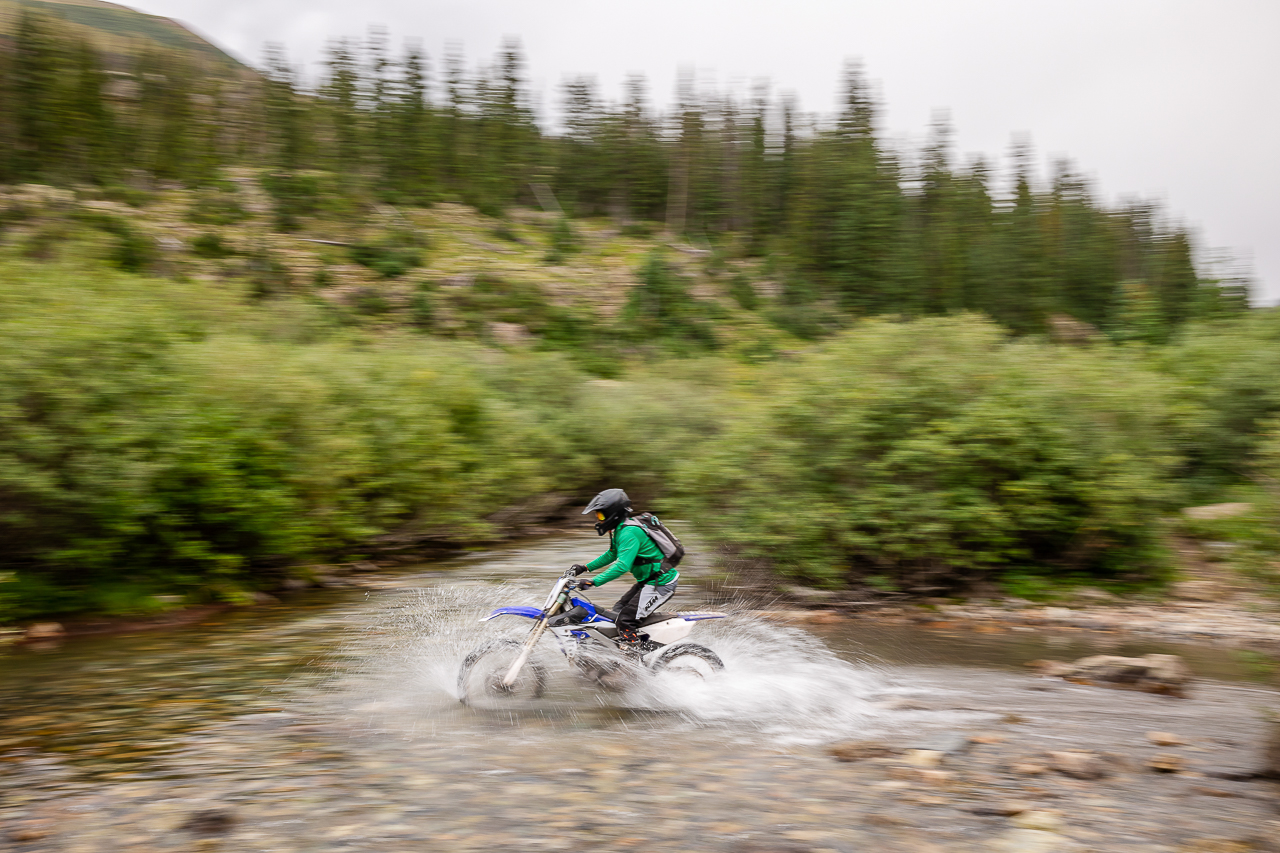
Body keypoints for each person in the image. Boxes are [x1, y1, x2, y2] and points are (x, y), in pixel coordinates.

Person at [570, 488, 678, 649]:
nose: (598, 519)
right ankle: (623, 649)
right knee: (616, 612)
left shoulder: (629, 532)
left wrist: (594, 582)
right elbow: (612, 554)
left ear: (613, 512)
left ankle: (634, 659)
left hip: (661, 583)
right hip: (647, 581)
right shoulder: (619, 530)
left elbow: (622, 566)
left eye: (600, 515)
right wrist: (585, 567)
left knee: (625, 620)